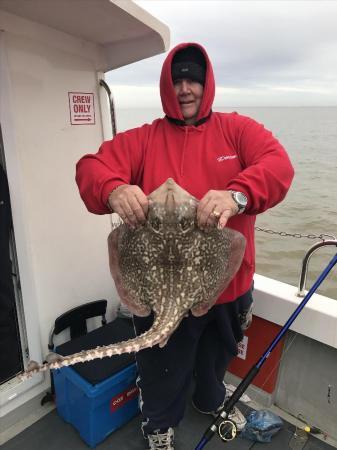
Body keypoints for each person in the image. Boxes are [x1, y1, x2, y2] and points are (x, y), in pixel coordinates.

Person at [76, 42, 294, 450]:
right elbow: (91, 168)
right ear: (165, 87)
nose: (185, 88)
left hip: (227, 286)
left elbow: (279, 166)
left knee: (217, 358)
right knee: (162, 366)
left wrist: (239, 195)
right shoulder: (144, 139)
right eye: (176, 80)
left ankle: (210, 398)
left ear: (207, 82)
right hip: (162, 292)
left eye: (193, 78)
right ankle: (159, 426)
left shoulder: (238, 130)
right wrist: (113, 189)